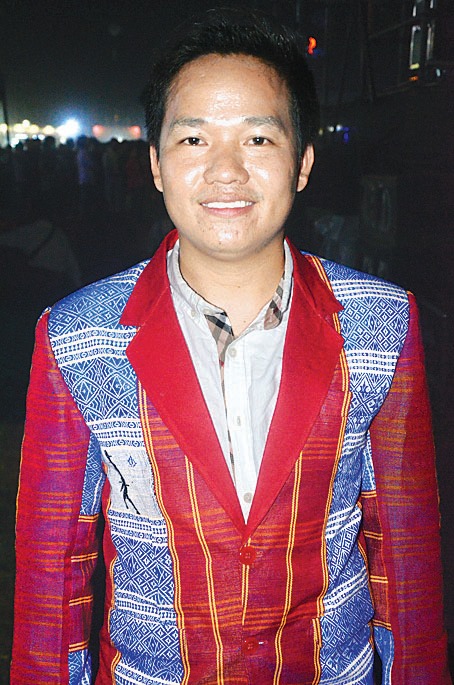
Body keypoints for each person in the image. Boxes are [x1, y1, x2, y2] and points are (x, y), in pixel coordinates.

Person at [11, 10, 450, 685]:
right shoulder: (77, 334)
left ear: (302, 163)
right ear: (156, 164)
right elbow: (51, 571)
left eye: (258, 138)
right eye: (193, 138)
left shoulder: (382, 322)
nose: (225, 170)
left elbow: (406, 550)